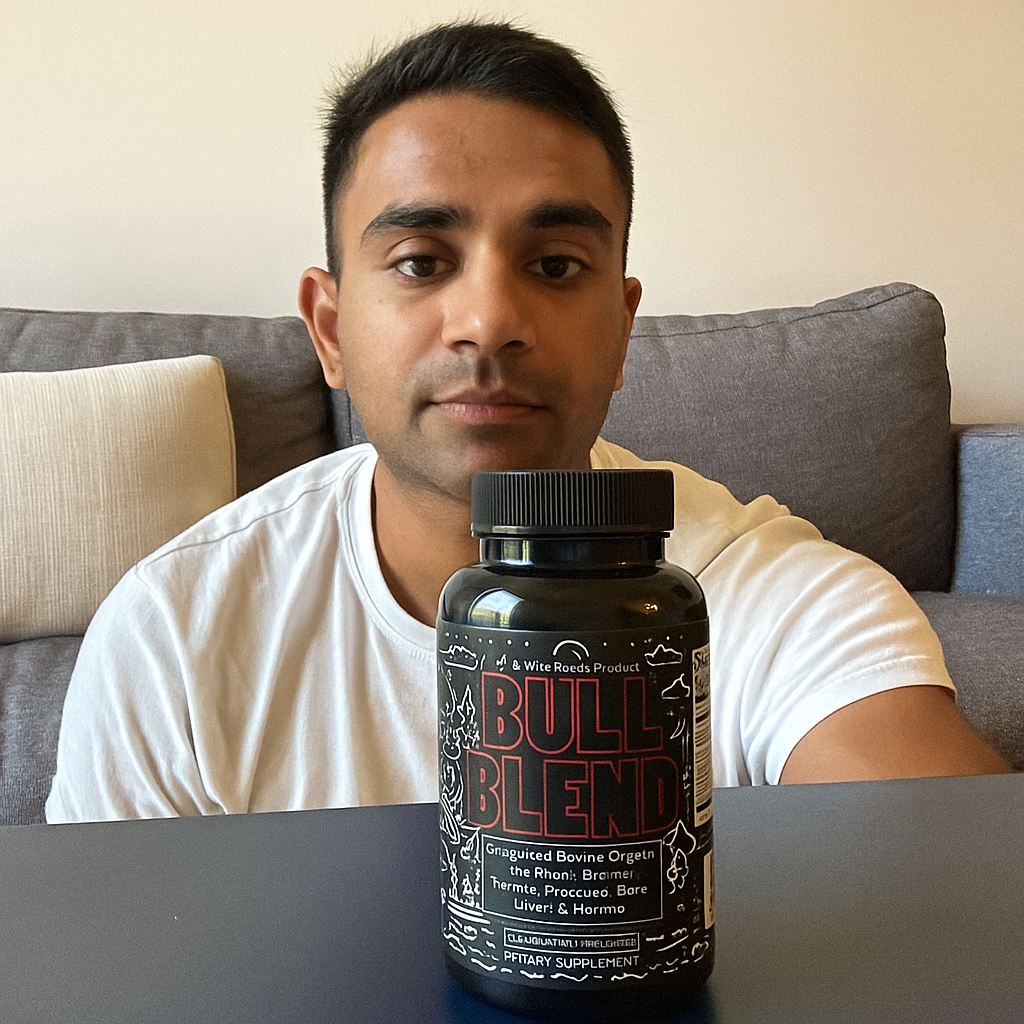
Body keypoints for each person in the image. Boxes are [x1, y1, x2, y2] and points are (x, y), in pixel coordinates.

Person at [45, 22, 1009, 823]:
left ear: (623, 328)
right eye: (422, 260)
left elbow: (953, 882)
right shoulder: (173, 631)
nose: (491, 322)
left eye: (554, 266)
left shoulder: (744, 589)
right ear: (331, 330)